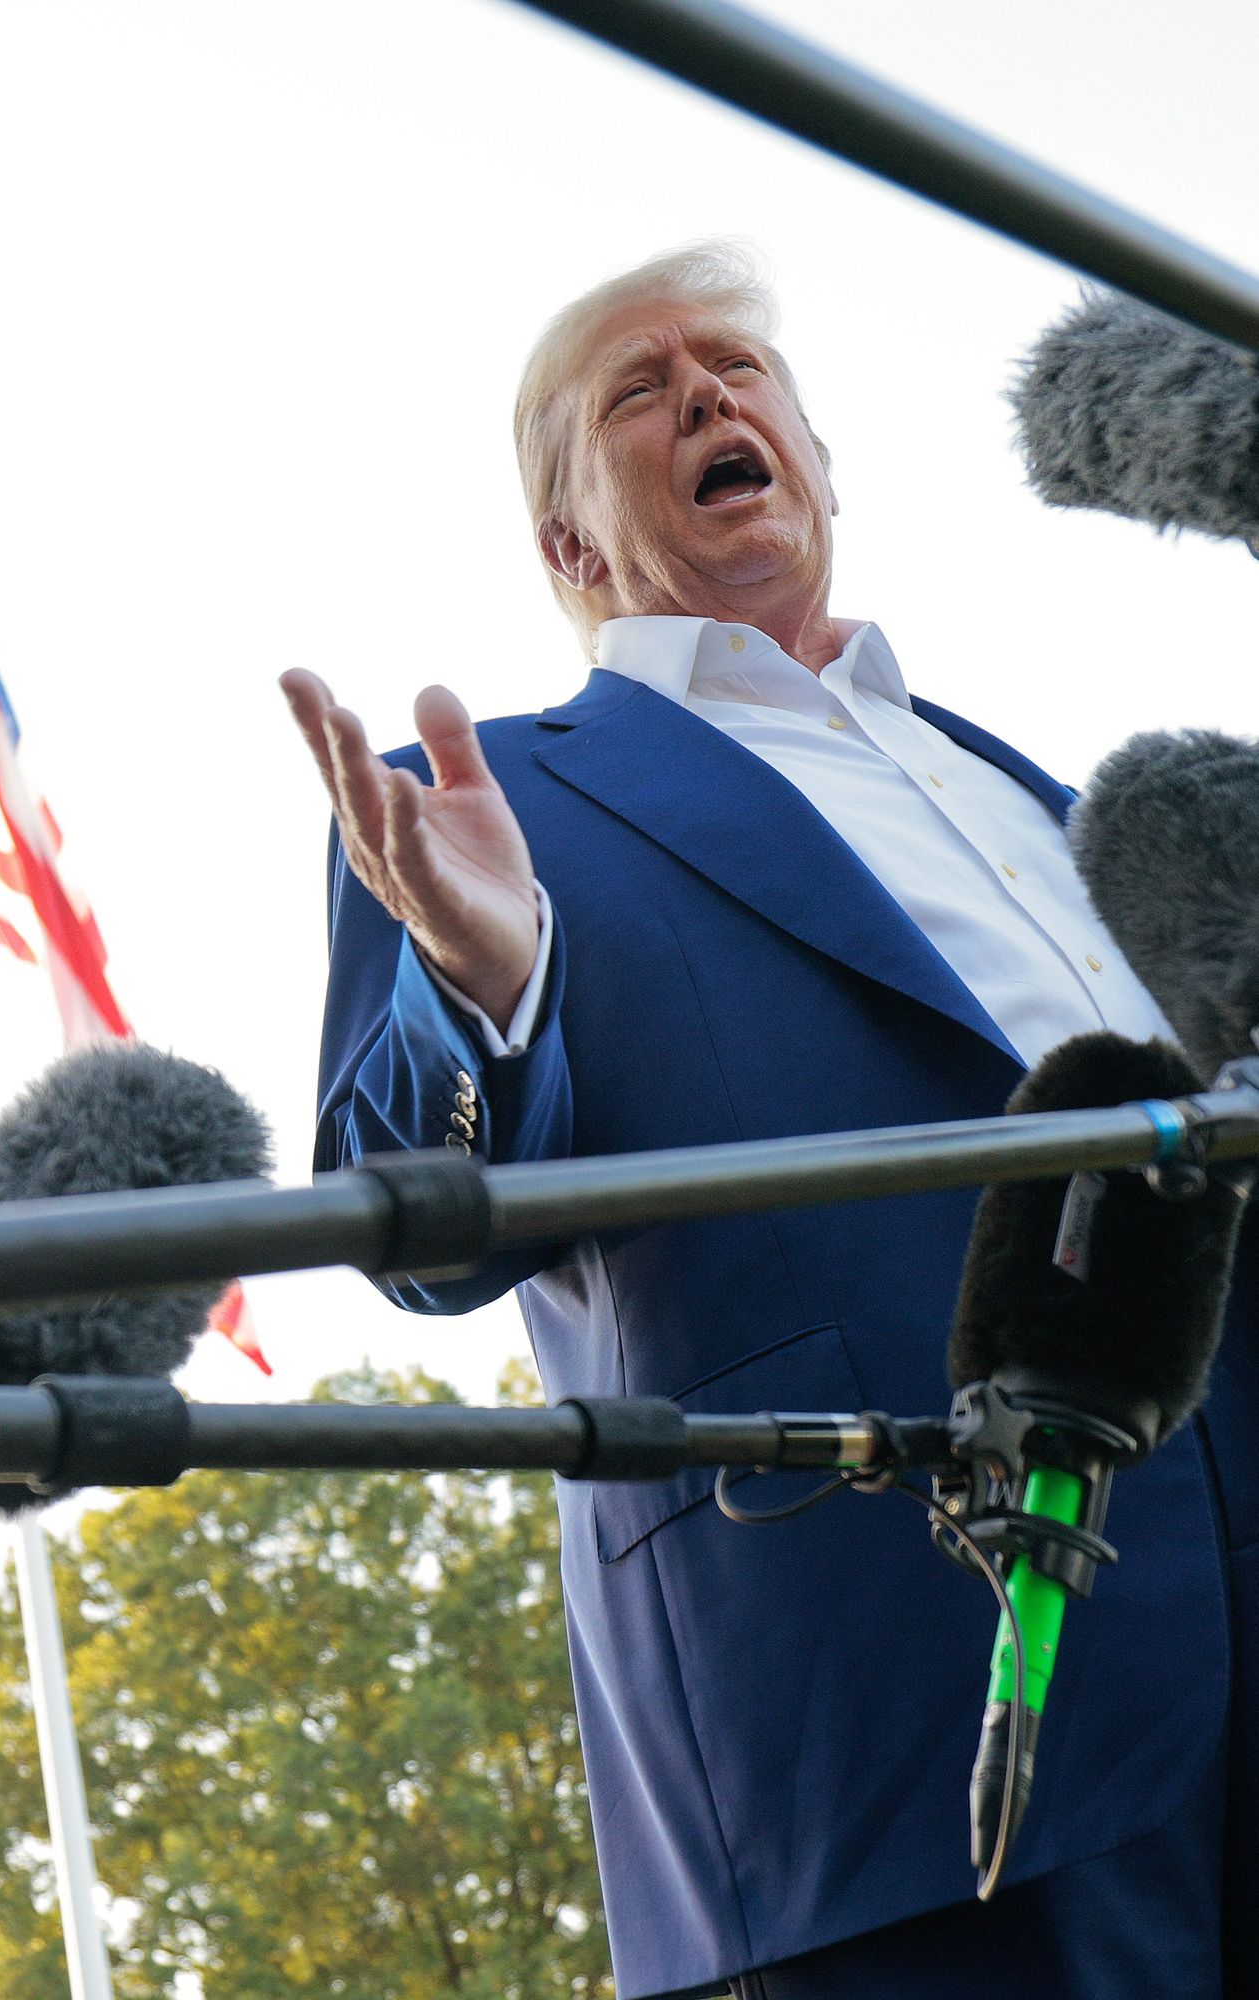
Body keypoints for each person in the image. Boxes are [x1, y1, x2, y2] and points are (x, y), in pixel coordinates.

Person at [281, 244, 1258, 1999]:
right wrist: (490, 986)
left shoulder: (1054, 788)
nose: (708, 398)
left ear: (818, 463)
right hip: (892, 1691)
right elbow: (415, 1224)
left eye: (735, 369)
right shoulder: (487, 811)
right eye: (639, 392)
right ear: (574, 546)